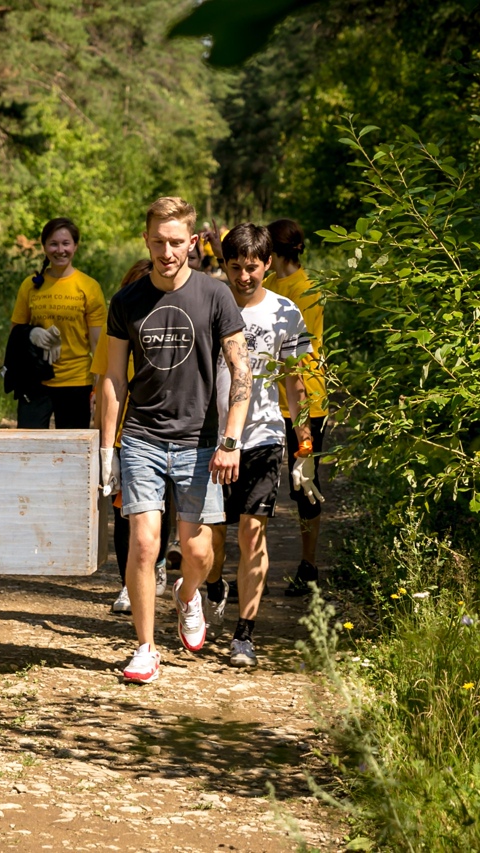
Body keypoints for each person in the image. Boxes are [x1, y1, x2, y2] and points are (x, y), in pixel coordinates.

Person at [99, 197, 251, 685]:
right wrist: (109, 450)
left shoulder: (215, 295)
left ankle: (188, 595)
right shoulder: (125, 302)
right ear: (147, 240)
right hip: (142, 435)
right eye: (159, 242)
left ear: (193, 243)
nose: (167, 252)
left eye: (177, 242)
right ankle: (145, 649)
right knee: (144, 545)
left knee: (200, 553)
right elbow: (113, 380)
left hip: (201, 440)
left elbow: (240, 371)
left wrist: (231, 440)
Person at [203, 223, 316, 669]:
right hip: (209, 438)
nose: (244, 277)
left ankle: (244, 635)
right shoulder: (209, 301)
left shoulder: (285, 312)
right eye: (235, 268)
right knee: (211, 542)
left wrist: (303, 442)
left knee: (252, 533)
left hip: (264, 436)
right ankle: (215, 585)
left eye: (252, 268)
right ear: (225, 265)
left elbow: (295, 381)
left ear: (267, 263)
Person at [90, 260, 170, 614]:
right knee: (126, 514)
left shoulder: (168, 325)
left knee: (159, 511)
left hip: (163, 430)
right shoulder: (118, 327)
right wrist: (100, 442)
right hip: (124, 431)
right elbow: (104, 384)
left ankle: (158, 564)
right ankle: (127, 583)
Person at [265, 218, 328, 595]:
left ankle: (308, 566)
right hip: (272, 401)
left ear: (273, 252)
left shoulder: (306, 290)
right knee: (264, 485)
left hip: (305, 404)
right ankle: (257, 568)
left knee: (305, 484)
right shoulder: (271, 283)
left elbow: (300, 356)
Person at [10, 218, 106, 429]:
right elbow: (15, 332)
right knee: (29, 448)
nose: (60, 250)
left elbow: (98, 344)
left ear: (75, 246)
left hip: (76, 381)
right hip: (35, 380)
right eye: (53, 244)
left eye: (66, 243)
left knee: (71, 450)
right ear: (44, 247)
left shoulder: (88, 287)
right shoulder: (30, 285)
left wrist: (99, 386)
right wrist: (33, 333)